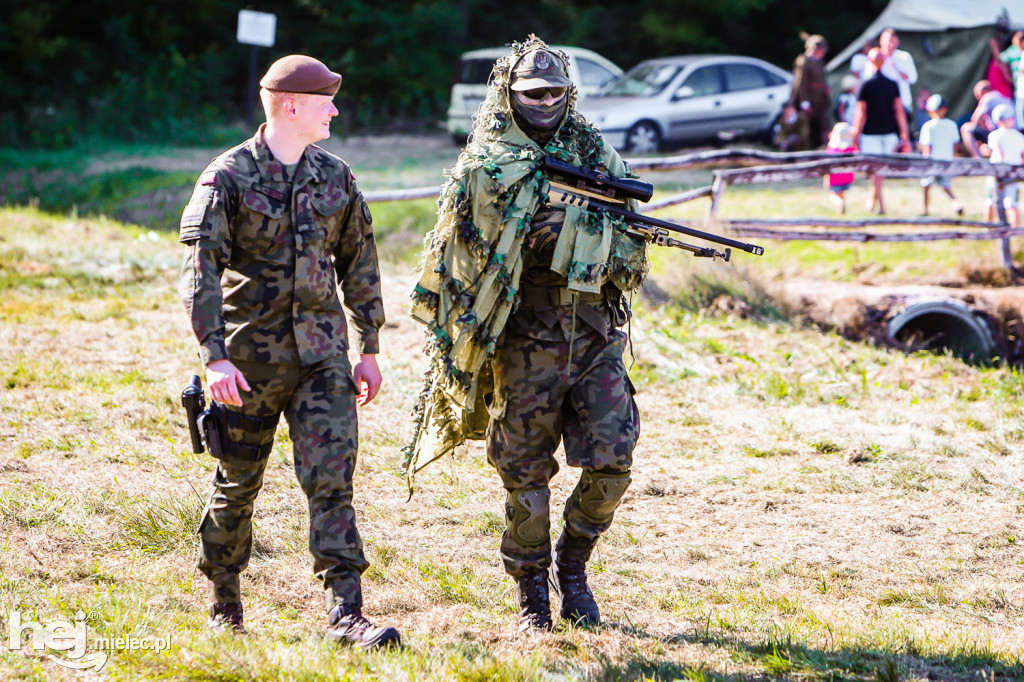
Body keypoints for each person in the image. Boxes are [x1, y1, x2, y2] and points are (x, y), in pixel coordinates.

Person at [406, 35, 649, 633]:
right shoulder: (487, 165)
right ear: (509, 97)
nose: (545, 102)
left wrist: (583, 236)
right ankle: (532, 590)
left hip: (594, 335)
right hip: (522, 339)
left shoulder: (597, 157)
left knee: (614, 460)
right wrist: (528, 235)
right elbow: (468, 251)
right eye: (532, 94)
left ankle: (574, 565)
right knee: (524, 470)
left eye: (556, 92)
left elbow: (633, 238)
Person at [177, 54, 400, 649]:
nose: (334, 109)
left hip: (324, 360)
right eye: (325, 99)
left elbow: (360, 263)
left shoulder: (337, 177)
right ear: (290, 105)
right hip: (248, 363)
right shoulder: (226, 177)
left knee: (333, 482)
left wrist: (370, 346)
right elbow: (200, 272)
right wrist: (213, 356)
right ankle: (225, 598)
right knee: (237, 483)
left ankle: (346, 614)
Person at [852, 47, 911, 215]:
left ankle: (879, 204)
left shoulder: (865, 84)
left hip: (871, 134)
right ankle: (875, 201)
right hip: (888, 132)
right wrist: (904, 136)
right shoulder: (892, 84)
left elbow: (861, 113)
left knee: (877, 171)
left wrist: (856, 135)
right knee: (880, 170)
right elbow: (899, 112)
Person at [917, 94, 964, 217]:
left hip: (932, 163)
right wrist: (953, 161)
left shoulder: (928, 126)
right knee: (946, 187)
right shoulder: (951, 125)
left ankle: (925, 209)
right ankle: (956, 204)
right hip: (947, 162)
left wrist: (925, 163)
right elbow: (955, 146)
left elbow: (927, 148)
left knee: (926, 186)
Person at [863, 28, 918, 128]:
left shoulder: (903, 57)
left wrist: (897, 69)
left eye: (893, 41)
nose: (890, 45)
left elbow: (913, 78)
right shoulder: (876, 56)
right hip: (882, 104)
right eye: (888, 41)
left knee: (906, 131)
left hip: (903, 101)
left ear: (898, 42)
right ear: (881, 41)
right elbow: (867, 78)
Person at [980, 103, 1024, 225]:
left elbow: (997, 153)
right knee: (1012, 204)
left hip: (996, 172)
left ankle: (988, 227)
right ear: (1012, 118)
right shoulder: (1019, 136)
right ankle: (1015, 230)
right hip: (1013, 173)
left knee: (990, 200)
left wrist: (984, 151)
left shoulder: (994, 135)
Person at [789, 33, 831, 148]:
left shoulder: (818, 62)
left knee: (823, 126)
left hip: (820, 100)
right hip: (810, 101)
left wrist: (825, 87)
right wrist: (804, 101)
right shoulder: (804, 61)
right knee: (807, 130)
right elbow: (801, 83)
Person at [961, 79, 1014, 158]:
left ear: (982, 92)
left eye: (978, 97)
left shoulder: (987, 97)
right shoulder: (1004, 98)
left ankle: (978, 159)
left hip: (997, 134)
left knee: (966, 128)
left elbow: (975, 119)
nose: (979, 100)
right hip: (1011, 135)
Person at [824, 122, 856, 214]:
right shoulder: (850, 149)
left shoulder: (832, 150)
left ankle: (839, 203)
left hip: (835, 178)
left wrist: (826, 179)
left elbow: (827, 167)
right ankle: (841, 208)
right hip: (847, 177)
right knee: (841, 192)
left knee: (833, 195)